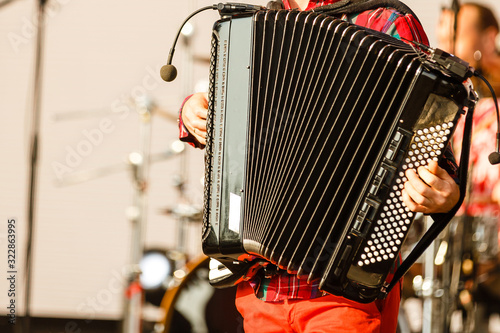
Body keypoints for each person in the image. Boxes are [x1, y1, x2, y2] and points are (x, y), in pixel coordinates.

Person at [179, 1, 461, 332]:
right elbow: (233, 119)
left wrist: (444, 192)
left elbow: (434, 142)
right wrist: (193, 112)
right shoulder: (253, 28)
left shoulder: (385, 21)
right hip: (263, 289)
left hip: (342, 290)